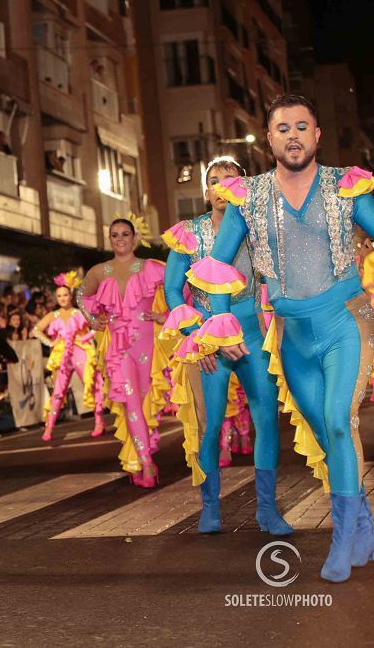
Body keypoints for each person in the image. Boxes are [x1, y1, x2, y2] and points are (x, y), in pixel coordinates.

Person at [187, 94, 374, 582]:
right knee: (327, 435)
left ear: (317, 135)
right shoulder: (248, 196)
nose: (293, 135)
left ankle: (342, 539)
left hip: (345, 321)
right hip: (291, 334)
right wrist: (220, 325)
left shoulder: (346, 186)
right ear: (268, 138)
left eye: (302, 126)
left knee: (338, 420)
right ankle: (364, 523)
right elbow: (219, 266)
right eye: (282, 128)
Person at [161, 155, 290, 536]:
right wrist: (194, 338)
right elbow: (172, 290)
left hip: (252, 337)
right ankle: (210, 507)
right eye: (213, 180)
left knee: (267, 421)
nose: (221, 186)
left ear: (243, 186)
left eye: (229, 179)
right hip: (207, 343)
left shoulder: (259, 229)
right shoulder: (189, 232)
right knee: (211, 425)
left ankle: (267, 510)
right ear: (205, 191)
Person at [79, 214, 166, 487]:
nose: (120, 239)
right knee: (130, 402)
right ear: (110, 240)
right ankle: (146, 463)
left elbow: (183, 288)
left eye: (125, 234)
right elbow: (82, 295)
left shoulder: (152, 267)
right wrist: (93, 320)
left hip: (147, 344)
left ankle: (142, 458)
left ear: (135, 238)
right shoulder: (99, 271)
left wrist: (167, 315)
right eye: (114, 235)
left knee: (144, 402)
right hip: (118, 348)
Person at [32, 272, 106, 441]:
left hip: (80, 352)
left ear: (70, 295)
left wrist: (85, 337)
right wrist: (50, 343)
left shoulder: (80, 312)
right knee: (58, 391)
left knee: (91, 385)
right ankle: (49, 427)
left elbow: (98, 324)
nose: (62, 298)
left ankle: (99, 422)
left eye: (65, 295)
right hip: (62, 356)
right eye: (59, 296)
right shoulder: (54, 315)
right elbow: (36, 330)